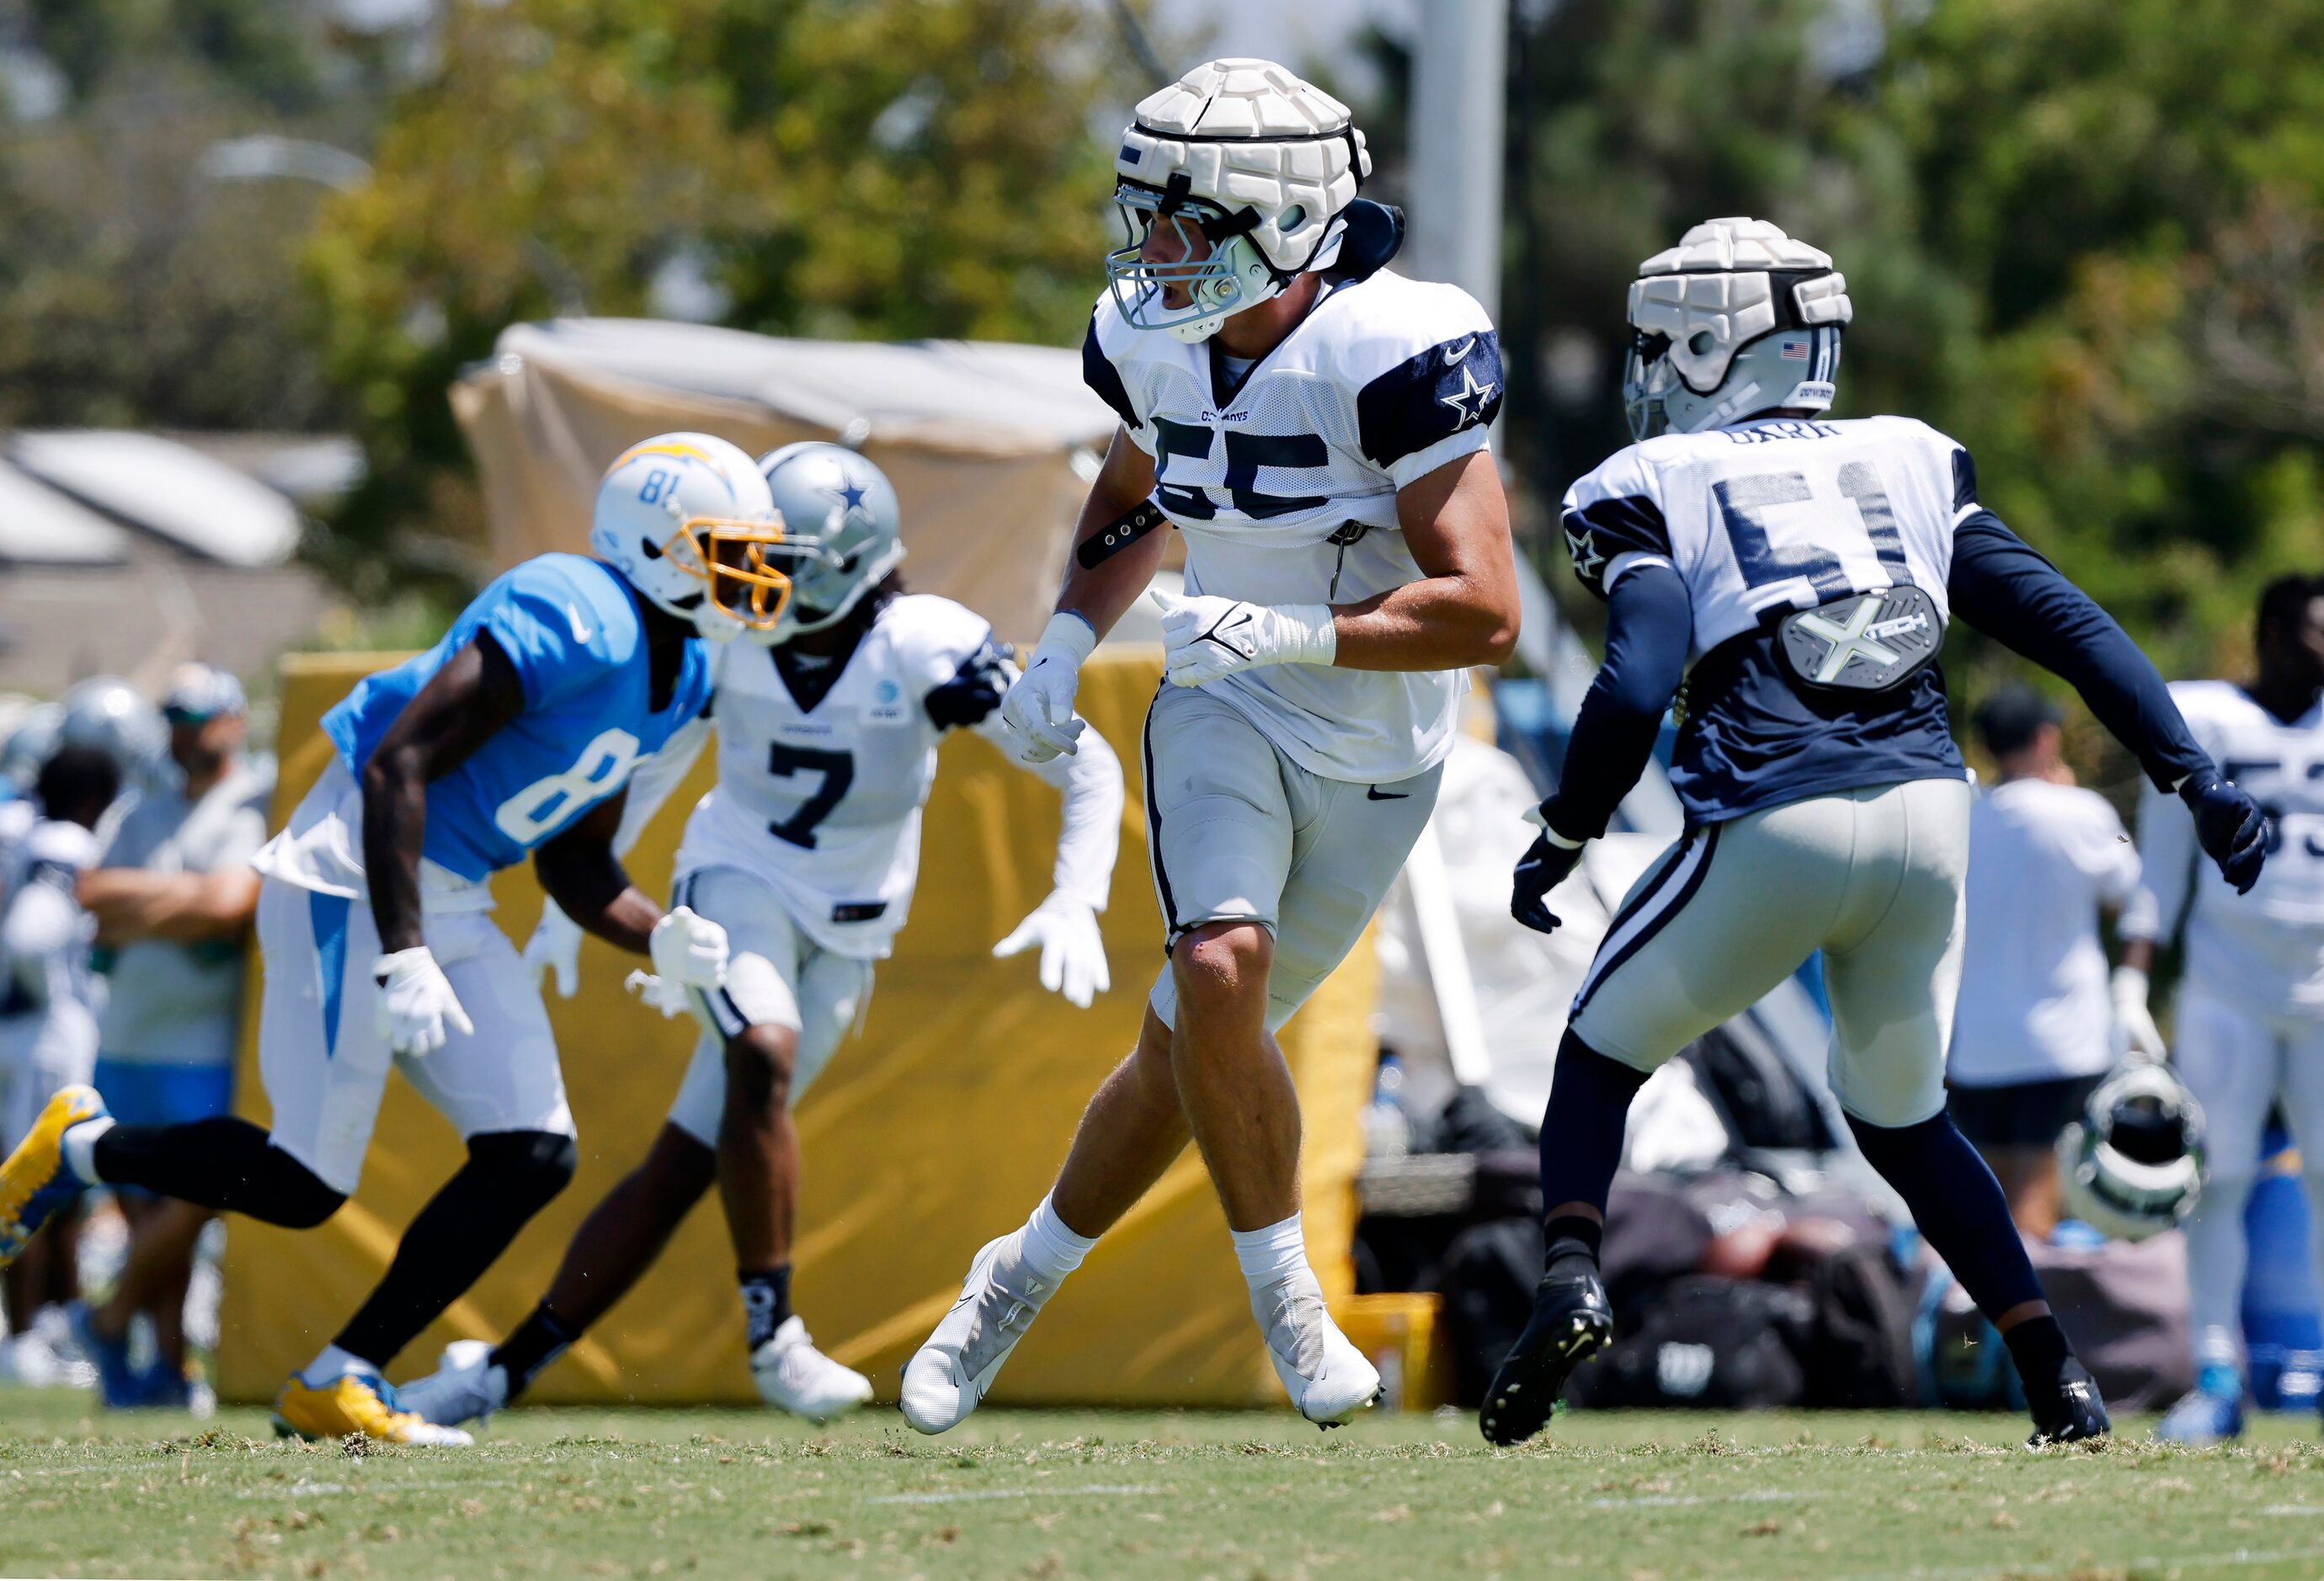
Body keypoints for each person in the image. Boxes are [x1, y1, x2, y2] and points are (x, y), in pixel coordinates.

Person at [1481, 217, 2266, 1450]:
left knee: (1598, 1053)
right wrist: (2195, 779)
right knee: (1902, 1123)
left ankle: (1570, 1273)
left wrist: (1567, 829)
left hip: (1780, 817)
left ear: (1705, 349)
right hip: (1926, 819)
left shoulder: (1651, 481)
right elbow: (2068, 622)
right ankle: (2055, 1370)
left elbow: (1634, 682)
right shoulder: (1906, 454)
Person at [895, 57, 1519, 1434]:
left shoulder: (1393, 345)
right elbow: (1135, 495)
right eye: (1146, 217)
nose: (1155, 253)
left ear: (1292, 224)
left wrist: (1290, 632)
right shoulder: (1150, 340)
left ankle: (1018, 1271)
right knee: (1216, 965)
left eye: (1190, 223)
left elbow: (1485, 612)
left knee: (1184, 1055)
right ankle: (1289, 1293)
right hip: (1220, 705)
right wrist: (1063, 636)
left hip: (1379, 747)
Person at [0, 432, 768, 1444]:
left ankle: (341, 1375)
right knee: (305, 1184)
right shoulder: (573, 610)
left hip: (445, 892)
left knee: (532, 1151)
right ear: (654, 544)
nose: (748, 575)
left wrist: (659, 934)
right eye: (724, 548)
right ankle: (81, 1147)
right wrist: (403, 951)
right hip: (346, 873)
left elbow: (576, 861)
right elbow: (396, 765)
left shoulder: (683, 677)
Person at [394, 444, 1124, 1429]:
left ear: (848, 561)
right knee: (760, 1048)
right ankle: (774, 1333)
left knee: (688, 1161)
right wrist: (592, 888)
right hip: (735, 882)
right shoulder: (724, 636)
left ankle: (500, 1373)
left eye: (784, 560)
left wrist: (1078, 893)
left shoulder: (920, 642)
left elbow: (1086, 762)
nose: (759, 579)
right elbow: (651, 760)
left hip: (853, 932)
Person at [2120, 574, 2324, 1445]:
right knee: (2221, 1180)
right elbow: (2161, 863)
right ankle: (2215, 1373)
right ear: (2275, 634)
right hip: (2226, 986)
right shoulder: (2203, 715)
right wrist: (2132, 979)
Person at [67, 663, 272, 1408]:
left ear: (234, 719)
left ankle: (111, 1316)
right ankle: (169, 1367)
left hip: (205, 1044)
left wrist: (144, 905)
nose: (188, 734)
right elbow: (91, 895)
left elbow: (228, 905)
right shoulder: (141, 809)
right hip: (127, 1037)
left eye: (201, 718)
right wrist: (184, 903)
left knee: (198, 1195)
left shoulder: (253, 803)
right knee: (149, 1211)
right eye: (177, 719)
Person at [1946, 686, 2143, 1234]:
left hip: (1978, 1044)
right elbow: (2132, 899)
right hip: (2063, 1043)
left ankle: (1972, 1315)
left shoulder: (1962, 820)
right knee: (2037, 1194)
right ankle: (2021, 1319)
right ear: (2045, 739)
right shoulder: (2081, 813)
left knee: (1982, 1194)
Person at [0, 747, 118, 1385]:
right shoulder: (64, 840)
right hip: (45, 1030)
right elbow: (29, 933)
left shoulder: (16, 829)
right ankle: (23, 1337)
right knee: (39, 1177)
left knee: (46, 1179)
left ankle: (44, 1329)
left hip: (15, 1028)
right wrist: (48, 991)